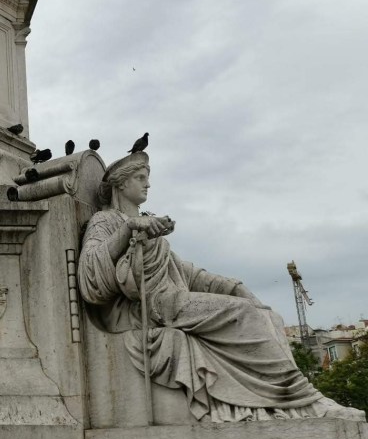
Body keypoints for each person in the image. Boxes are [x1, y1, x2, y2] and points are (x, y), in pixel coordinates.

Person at [78, 152, 364, 422]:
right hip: (151, 307)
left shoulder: (146, 223)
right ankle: (306, 401)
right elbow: (91, 275)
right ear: (121, 183)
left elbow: (187, 272)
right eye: (141, 177)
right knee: (244, 315)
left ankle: (285, 403)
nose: (148, 183)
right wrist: (128, 230)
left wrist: (233, 285)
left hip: (173, 300)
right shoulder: (106, 221)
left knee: (267, 315)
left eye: (147, 177)